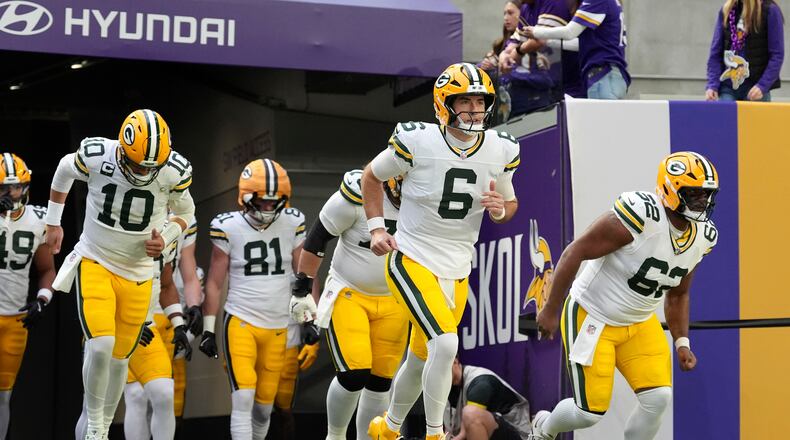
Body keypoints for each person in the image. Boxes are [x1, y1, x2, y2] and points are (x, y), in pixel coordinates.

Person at [358, 63, 520, 440]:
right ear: (443, 105)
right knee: (446, 344)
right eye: (464, 101)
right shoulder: (418, 141)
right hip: (412, 257)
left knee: (420, 358)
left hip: (459, 267)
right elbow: (372, 176)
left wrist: (499, 209)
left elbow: (510, 206)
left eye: (480, 102)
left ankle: (389, 427)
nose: (474, 110)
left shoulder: (501, 148)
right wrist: (377, 227)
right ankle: (435, 434)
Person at [530, 152, 719, 440]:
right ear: (670, 189)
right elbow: (575, 251)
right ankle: (544, 428)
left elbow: (679, 294)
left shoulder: (704, 236)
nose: (702, 202)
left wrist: (682, 341)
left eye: (706, 195)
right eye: (694, 194)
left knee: (658, 399)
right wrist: (551, 309)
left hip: (640, 321)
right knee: (588, 412)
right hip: (593, 314)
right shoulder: (641, 215)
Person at [46, 109, 195, 440]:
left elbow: (186, 211)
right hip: (95, 259)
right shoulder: (99, 155)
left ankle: (102, 421)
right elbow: (63, 170)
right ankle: (97, 421)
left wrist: (167, 236)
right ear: (124, 150)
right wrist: (53, 221)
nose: (145, 171)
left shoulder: (172, 171)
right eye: (140, 163)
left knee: (117, 360)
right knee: (100, 345)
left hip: (139, 273)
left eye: (152, 167)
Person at [290, 169, 407, 440]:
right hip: (350, 292)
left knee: (380, 383)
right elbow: (318, 237)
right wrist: (302, 289)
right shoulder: (357, 193)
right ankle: (336, 435)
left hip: (394, 299)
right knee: (354, 375)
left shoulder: (427, 198)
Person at [201, 158, 311, 440]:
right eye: (261, 201)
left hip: (278, 326)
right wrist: (208, 329)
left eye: (273, 201)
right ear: (246, 197)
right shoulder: (228, 227)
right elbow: (214, 283)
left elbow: (305, 275)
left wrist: (311, 318)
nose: (267, 207)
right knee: (243, 397)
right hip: (241, 320)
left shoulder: (292, 222)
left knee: (264, 407)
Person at [121, 223, 198, 440]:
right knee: (100, 405)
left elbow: (168, 283)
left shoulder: (180, 222)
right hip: (115, 320)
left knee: (164, 393)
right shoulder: (121, 217)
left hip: (155, 321)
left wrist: (181, 322)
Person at [0, 153, 56, 440]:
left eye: (16, 186)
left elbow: (47, 269)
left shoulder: (37, 220)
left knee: (3, 396)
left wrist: (42, 299)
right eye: (4, 188)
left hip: (15, 318)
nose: (12, 194)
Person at [524, 0, 629, 100]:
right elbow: (581, 44)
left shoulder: (597, 1)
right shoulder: (612, 3)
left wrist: (536, 32)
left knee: (600, 118)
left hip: (603, 75)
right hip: (612, 76)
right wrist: (546, 42)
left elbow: (570, 32)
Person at [706, 0, 784, 102]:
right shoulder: (727, 10)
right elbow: (715, 53)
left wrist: (763, 85)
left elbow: (777, 54)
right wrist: (712, 85)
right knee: (726, 117)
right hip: (728, 87)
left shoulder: (770, 10)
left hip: (755, 89)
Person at [444, 358, 530, 440]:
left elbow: (463, 434)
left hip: (517, 434)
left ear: (454, 361)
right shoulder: (445, 389)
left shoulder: (480, 381)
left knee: (470, 414)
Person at [269, 321, 320, 440]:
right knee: (256, 406)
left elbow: (311, 304)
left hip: (288, 344)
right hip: (259, 344)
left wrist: (314, 335)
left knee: (284, 410)